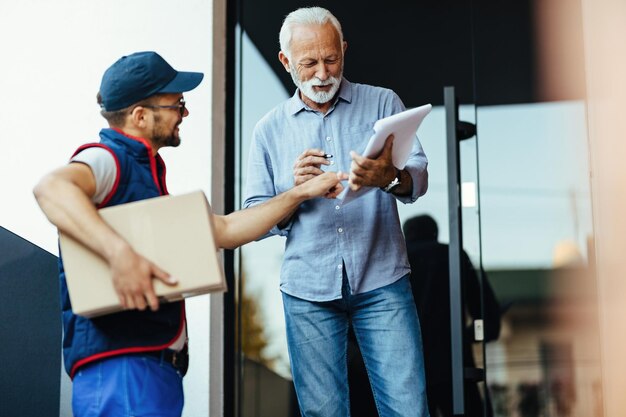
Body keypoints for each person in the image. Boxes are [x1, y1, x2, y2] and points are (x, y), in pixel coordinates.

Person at [33, 51, 345, 417]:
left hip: (154, 370)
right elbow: (51, 188)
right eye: (177, 104)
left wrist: (298, 194)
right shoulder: (108, 160)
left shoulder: (146, 178)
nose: (185, 113)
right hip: (124, 370)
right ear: (139, 115)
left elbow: (226, 229)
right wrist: (120, 255)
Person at [243, 7, 430, 416]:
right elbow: (254, 218)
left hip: (382, 280)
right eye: (309, 63)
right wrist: (294, 193)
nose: (322, 73)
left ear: (343, 49)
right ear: (285, 62)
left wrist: (390, 176)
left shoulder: (384, 103)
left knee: (408, 408)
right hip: (307, 290)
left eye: (331, 59)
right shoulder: (268, 129)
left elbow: (418, 177)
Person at [403, 214, 502, 417]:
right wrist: (464, 337)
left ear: (405, 235)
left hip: (410, 367)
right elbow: (486, 314)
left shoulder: (399, 259)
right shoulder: (454, 255)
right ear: (435, 233)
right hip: (455, 367)